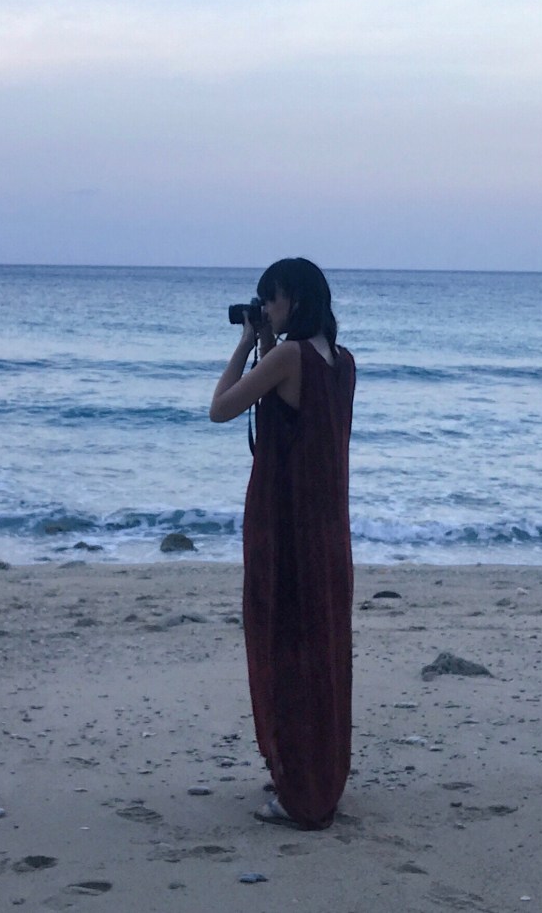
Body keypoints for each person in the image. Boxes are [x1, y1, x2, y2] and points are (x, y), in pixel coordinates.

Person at [210, 257, 355, 830]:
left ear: (295, 300)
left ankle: (301, 791)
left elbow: (221, 408)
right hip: (327, 527)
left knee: (283, 647)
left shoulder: (287, 357)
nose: (266, 309)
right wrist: (266, 342)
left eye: (272, 299)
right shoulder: (342, 362)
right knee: (320, 652)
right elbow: (304, 421)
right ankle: (315, 772)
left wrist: (246, 344)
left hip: (285, 523)